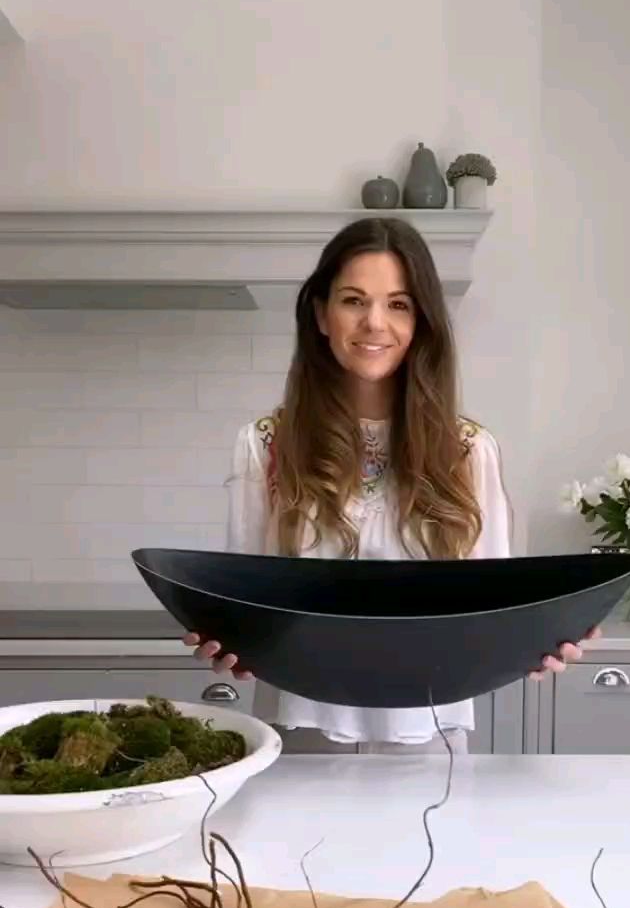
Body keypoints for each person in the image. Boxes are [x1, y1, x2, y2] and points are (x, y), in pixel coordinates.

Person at [184, 216, 598, 754]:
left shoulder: (470, 451)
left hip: (430, 734)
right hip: (301, 730)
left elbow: (496, 602)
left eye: (398, 304)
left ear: (422, 320)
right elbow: (241, 599)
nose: (374, 322)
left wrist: (541, 641)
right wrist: (225, 639)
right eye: (354, 300)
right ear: (321, 314)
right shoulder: (264, 446)